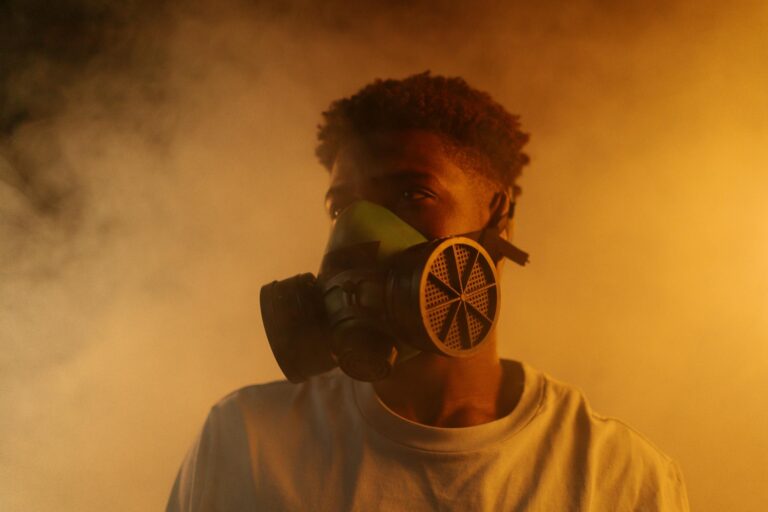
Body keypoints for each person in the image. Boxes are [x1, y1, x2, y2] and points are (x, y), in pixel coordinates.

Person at [166, 72, 690, 511]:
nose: (359, 234)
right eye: (339, 208)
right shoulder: (252, 442)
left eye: (413, 194)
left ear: (499, 219)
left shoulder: (616, 477)